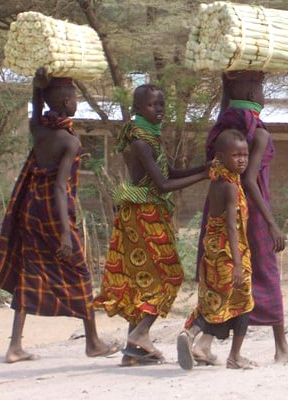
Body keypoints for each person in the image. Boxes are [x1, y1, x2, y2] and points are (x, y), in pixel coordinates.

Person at [0, 68, 119, 363]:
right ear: (65, 102)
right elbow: (60, 188)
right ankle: (93, 341)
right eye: (72, 97)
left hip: (31, 209)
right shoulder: (69, 142)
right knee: (81, 274)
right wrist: (65, 233)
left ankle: (15, 346)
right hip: (54, 214)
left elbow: (35, 112)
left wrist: (36, 87)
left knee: (29, 273)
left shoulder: (40, 131)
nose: (75, 101)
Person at [190, 71, 288, 365]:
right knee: (266, 275)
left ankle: (205, 341)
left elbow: (226, 108)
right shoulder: (258, 133)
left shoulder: (224, 129)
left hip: (220, 214)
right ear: (252, 94)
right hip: (252, 214)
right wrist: (271, 223)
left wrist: (225, 83)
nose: (263, 93)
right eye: (260, 87)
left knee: (225, 278)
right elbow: (249, 180)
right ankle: (281, 347)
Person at [92, 84, 210, 366]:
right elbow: (164, 184)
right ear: (136, 109)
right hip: (144, 216)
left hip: (143, 214)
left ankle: (133, 353)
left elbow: (170, 172)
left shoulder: (150, 138)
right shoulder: (141, 143)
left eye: (161, 105)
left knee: (140, 280)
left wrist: (204, 168)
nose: (158, 110)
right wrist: (204, 177)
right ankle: (141, 333)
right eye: (151, 105)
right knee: (170, 275)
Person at [176, 128, 255, 370]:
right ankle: (235, 356)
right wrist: (238, 264)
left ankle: (198, 342)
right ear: (220, 157)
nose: (241, 160)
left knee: (214, 300)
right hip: (230, 255)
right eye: (235, 155)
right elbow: (231, 227)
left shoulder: (219, 181)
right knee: (244, 302)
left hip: (212, 253)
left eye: (245, 155)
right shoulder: (230, 187)